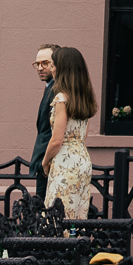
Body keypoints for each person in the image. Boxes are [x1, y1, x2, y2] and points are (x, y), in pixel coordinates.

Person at [42, 46, 95, 221]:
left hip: (65, 162)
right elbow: (83, 135)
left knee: (57, 217)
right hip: (82, 160)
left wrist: (45, 161)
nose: (52, 69)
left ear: (63, 68)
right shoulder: (85, 98)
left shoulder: (61, 99)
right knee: (77, 217)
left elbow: (57, 140)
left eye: (54, 64)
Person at [29, 44, 58, 199]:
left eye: (44, 63)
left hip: (50, 164)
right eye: (37, 64)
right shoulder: (50, 87)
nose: (40, 68)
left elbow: (54, 133)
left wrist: (44, 163)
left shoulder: (57, 90)